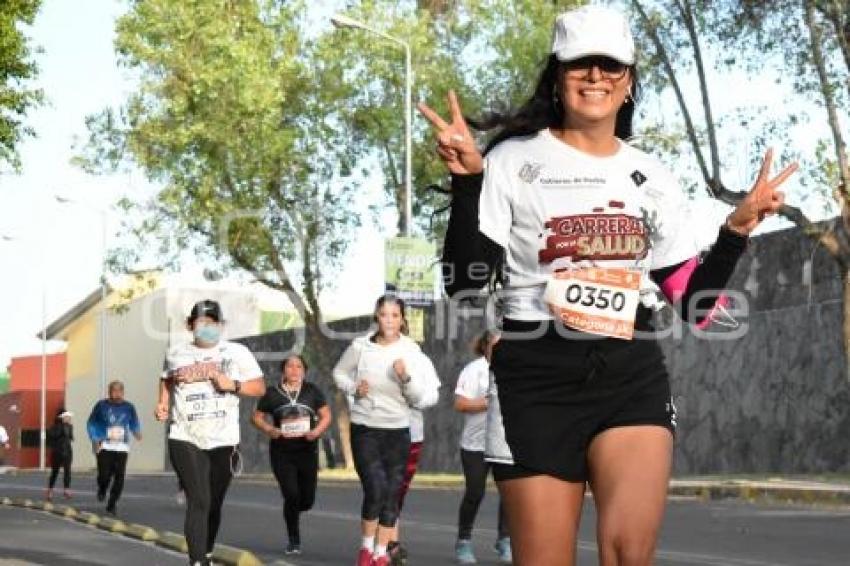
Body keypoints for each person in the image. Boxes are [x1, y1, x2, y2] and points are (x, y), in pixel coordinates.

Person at [418, 5, 797, 565]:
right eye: (580, 64)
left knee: (627, 555)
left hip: (629, 368)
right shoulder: (512, 160)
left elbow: (692, 303)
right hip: (535, 372)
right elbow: (464, 282)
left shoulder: (654, 176)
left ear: (628, 82)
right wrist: (469, 184)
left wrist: (734, 232)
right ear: (557, 75)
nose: (595, 76)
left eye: (610, 65)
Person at [156, 299, 266, 566]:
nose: (207, 328)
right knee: (199, 499)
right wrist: (161, 402)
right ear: (190, 325)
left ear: (221, 325)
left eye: (213, 323)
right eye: (202, 323)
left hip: (223, 438)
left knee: (213, 503)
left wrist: (233, 384)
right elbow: (167, 378)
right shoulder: (176, 353)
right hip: (185, 434)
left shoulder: (236, 352)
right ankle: (197, 562)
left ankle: (204, 553)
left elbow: (259, 388)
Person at [333, 294, 441, 566]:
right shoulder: (360, 347)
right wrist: (354, 388)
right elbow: (339, 374)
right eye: (384, 314)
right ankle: (365, 549)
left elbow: (418, 399)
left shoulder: (411, 352)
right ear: (376, 316)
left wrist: (405, 377)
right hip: (365, 428)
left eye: (395, 315)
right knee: (376, 489)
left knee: (392, 495)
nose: (389, 320)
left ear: (402, 319)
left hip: (398, 430)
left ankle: (381, 554)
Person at [252, 354, 332, 556]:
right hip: (282, 452)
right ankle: (293, 540)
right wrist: (270, 429)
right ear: (283, 370)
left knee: (306, 501)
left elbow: (326, 415)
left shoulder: (312, 391)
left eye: (299, 367)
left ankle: (293, 510)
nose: (294, 370)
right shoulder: (272, 393)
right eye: (290, 366)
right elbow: (256, 417)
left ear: (304, 370)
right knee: (291, 495)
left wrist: (317, 432)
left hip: (307, 451)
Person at [454, 331, 510, 564]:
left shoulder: (514, 370)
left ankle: (504, 539)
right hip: (475, 445)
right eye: (495, 347)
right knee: (475, 492)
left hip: (504, 443)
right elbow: (460, 403)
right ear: (486, 347)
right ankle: (463, 542)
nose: (498, 351)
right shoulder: (473, 370)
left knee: (510, 493)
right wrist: (487, 402)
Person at [386, 345, 442, 566]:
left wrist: (412, 396)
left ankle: (388, 542)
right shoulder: (368, 353)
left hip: (411, 434)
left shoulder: (420, 360)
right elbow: (355, 391)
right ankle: (387, 544)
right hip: (376, 430)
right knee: (380, 488)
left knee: (397, 491)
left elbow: (432, 396)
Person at [87, 380, 142, 516]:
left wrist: (137, 432)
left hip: (122, 446)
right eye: (114, 390)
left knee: (120, 477)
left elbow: (134, 421)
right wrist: (95, 438)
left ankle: (112, 503)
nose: (117, 393)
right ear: (109, 392)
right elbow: (91, 422)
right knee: (104, 474)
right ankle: (102, 488)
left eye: (119, 391)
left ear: (123, 392)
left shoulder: (129, 407)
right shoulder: (101, 406)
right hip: (104, 444)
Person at [46, 409, 73, 501]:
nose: (69, 418)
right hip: (57, 452)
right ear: (61, 417)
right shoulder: (54, 427)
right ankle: (50, 491)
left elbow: (70, 438)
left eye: (69, 417)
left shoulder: (70, 427)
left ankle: (66, 490)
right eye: (66, 417)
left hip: (68, 451)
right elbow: (52, 437)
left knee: (67, 471)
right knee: (55, 472)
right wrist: (61, 428)